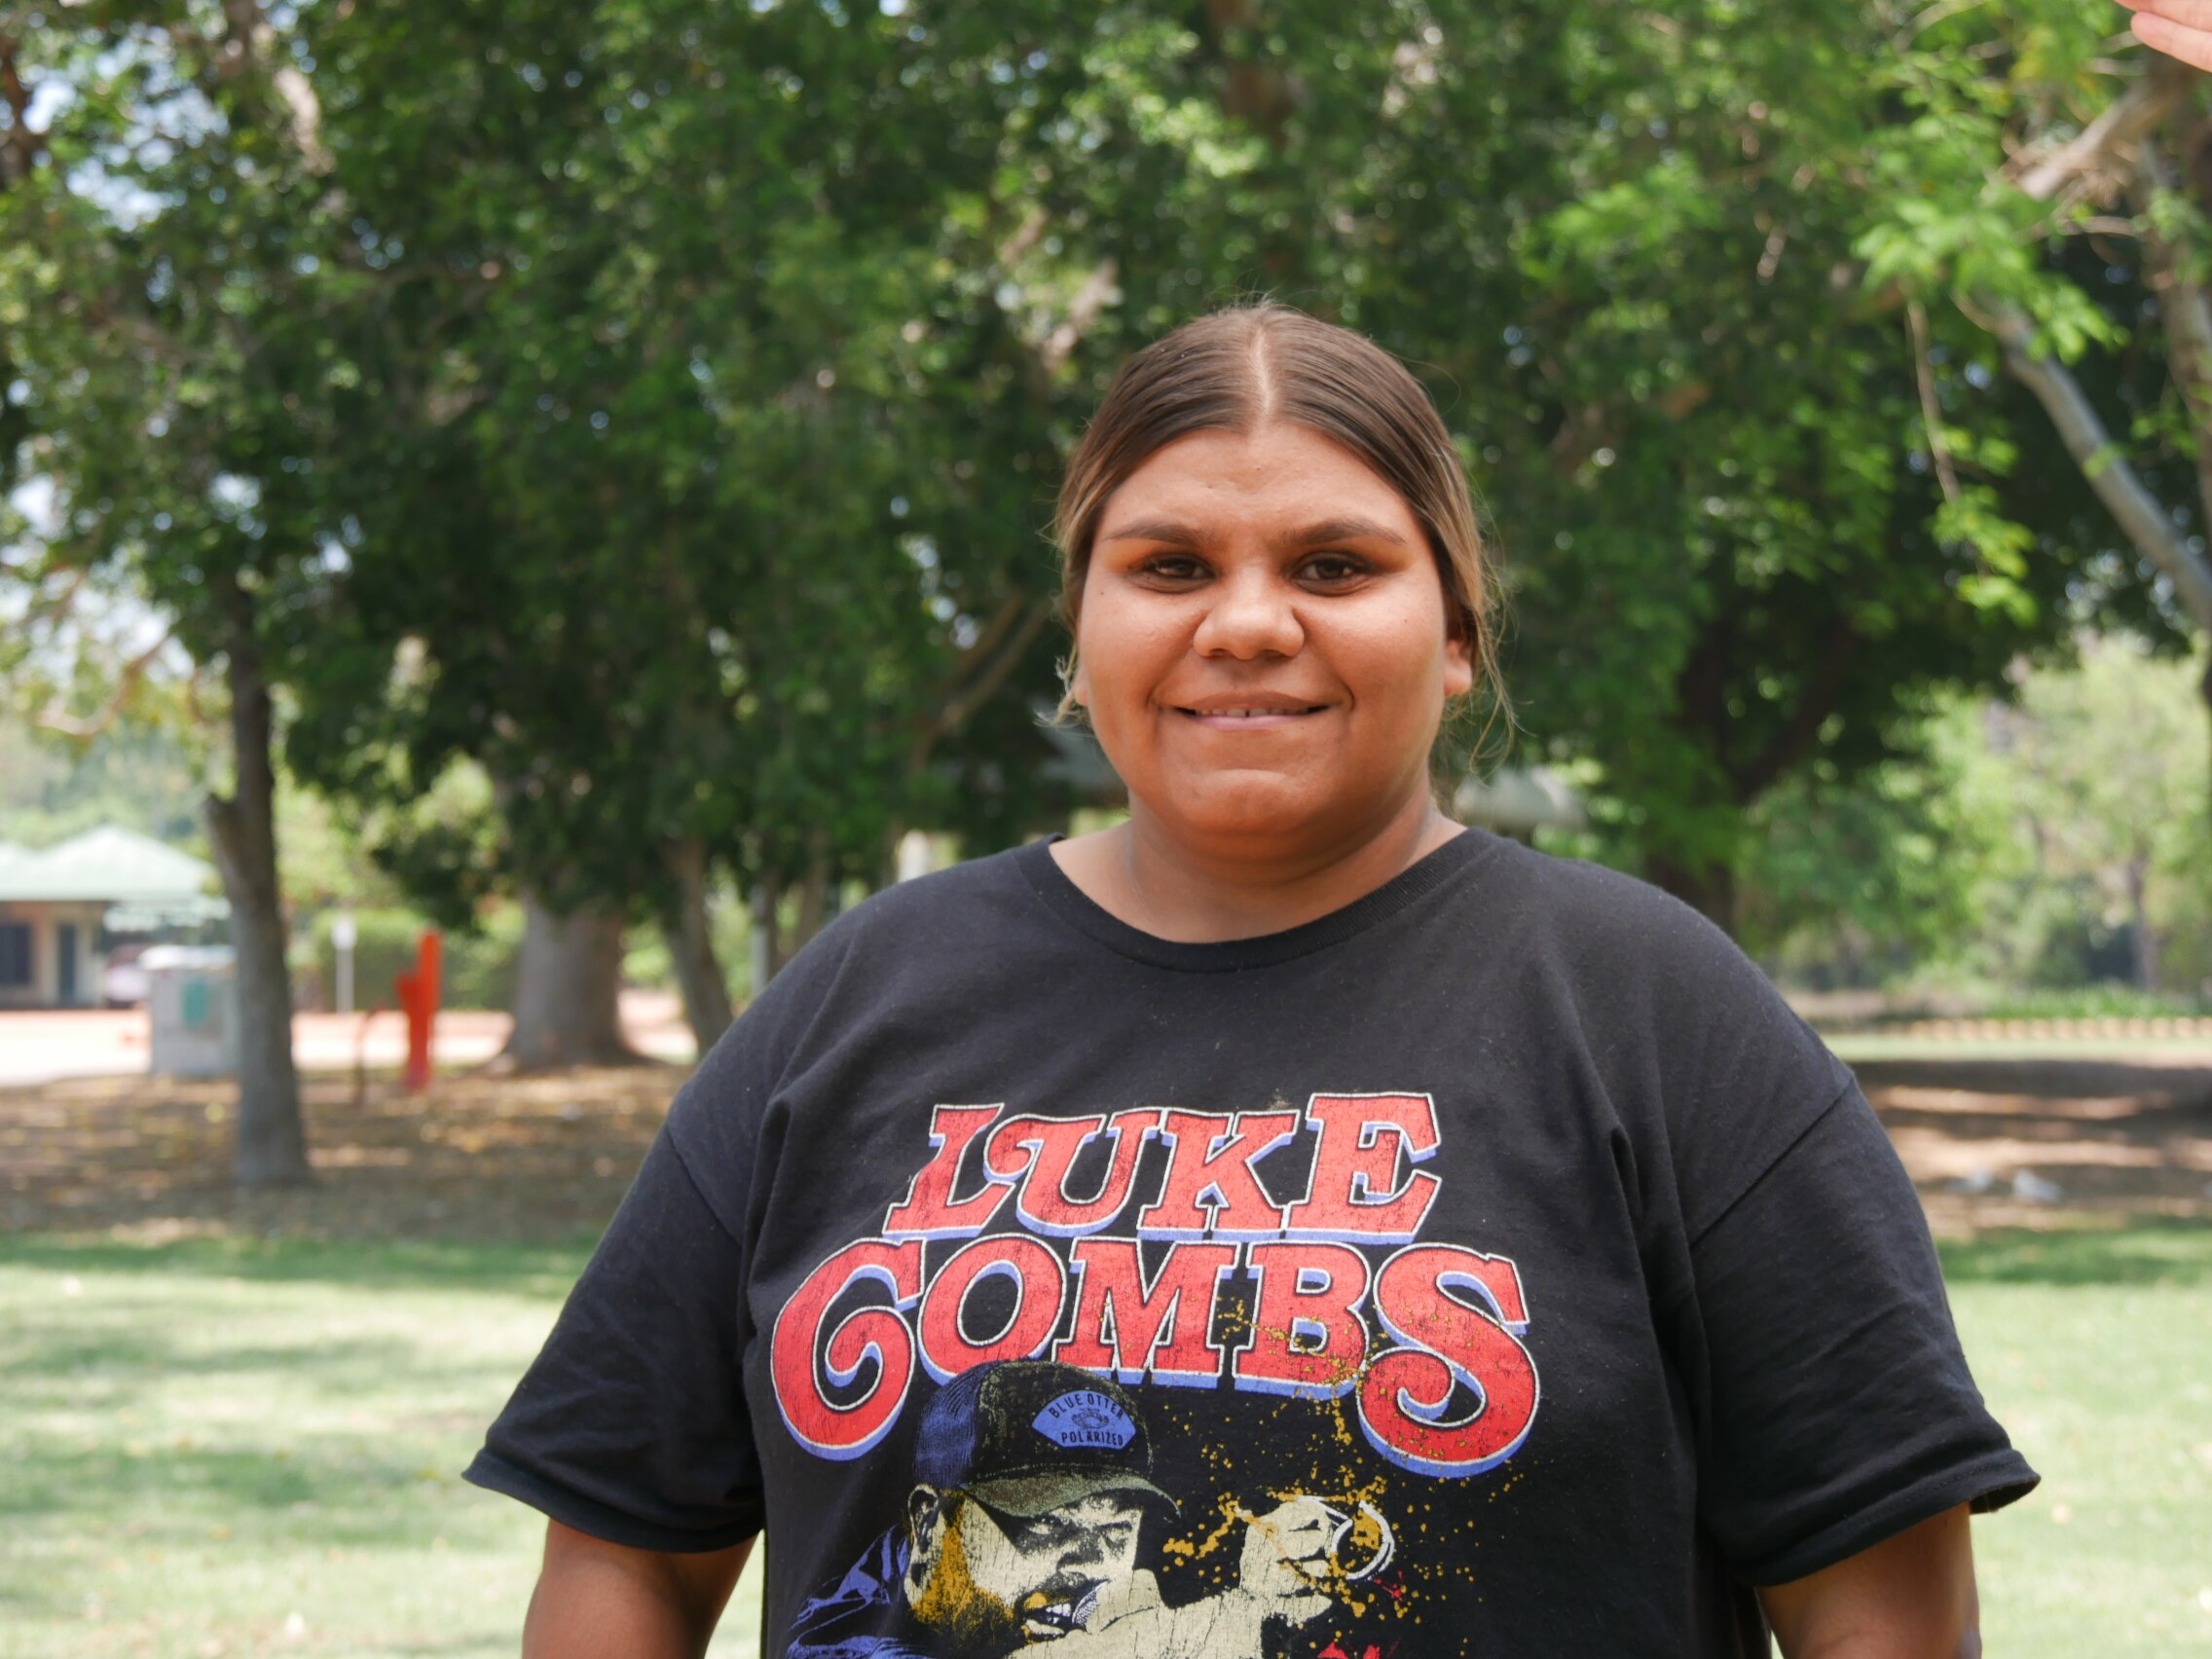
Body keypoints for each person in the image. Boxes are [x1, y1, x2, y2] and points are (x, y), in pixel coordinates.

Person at [466, 302, 2036, 1658]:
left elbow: (1874, 1598)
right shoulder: (864, 997)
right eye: (1169, 565)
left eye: (1336, 564)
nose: (1247, 624)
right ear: (1084, 634)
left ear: (1459, 630)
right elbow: (625, 1545)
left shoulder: (1651, 1010)